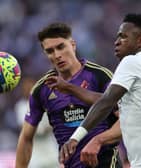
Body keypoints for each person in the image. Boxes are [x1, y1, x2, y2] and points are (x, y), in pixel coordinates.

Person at [60, 13, 141, 168]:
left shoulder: (132, 62)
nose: (116, 42)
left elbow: (107, 102)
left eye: (123, 37)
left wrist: (75, 138)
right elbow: (110, 101)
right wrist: (69, 88)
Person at [16, 22, 122, 168]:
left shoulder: (100, 76)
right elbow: (26, 137)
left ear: (73, 44)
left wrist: (99, 141)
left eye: (61, 47)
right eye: (50, 51)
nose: (57, 55)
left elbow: (125, 119)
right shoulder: (41, 89)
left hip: (105, 162)